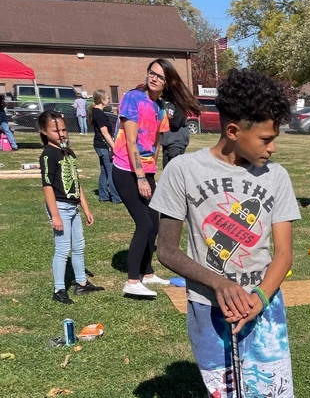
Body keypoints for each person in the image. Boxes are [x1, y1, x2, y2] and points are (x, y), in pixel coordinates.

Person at [152, 68, 299, 398]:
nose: (273, 147)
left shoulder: (275, 177)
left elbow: (283, 254)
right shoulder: (184, 171)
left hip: (265, 310)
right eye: (267, 138)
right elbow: (168, 251)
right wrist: (220, 285)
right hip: (207, 310)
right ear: (233, 131)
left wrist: (258, 296)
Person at [111, 58, 197, 298]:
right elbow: (130, 142)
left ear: (167, 82)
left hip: (145, 171)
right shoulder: (133, 98)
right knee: (144, 223)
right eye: (152, 73)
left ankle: (148, 273)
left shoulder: (160, 107)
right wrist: (140, 177)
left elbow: (157, 143)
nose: (154, 78)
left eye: (159, 76)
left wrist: (150, 174)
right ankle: (132, 280)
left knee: (155, 222)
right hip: (125, 169)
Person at [39, 111, 104, 304]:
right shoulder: (48, 155)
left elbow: (75, 181)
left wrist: (85, 207)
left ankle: (81, 284)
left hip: (73, 207)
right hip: (60, 207)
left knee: (79, 246)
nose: (61, 134)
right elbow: (47, 186)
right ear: (44, 131)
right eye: (56, 130)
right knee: (63, 249)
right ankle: (59, 290)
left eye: (64, 129)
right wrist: (55, 215)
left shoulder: (68, 151)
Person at [89, 91, 122, 204]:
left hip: (99, 145)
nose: (109, 100)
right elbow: (105, 132)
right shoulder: (99, 113)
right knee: (111, 171)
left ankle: (103, 195)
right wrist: (114, 147)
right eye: (107, 98)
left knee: (104, 170)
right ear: (102, 100)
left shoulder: (97, 112)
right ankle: (116, 197)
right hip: (103, 145)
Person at [161, 96, 191, 167]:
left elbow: (175, 123)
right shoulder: (165, 103)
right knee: (166, 171)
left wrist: (163, 120)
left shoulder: (178, 104)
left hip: (176, 143)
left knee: (174, 171)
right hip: (167, 142)